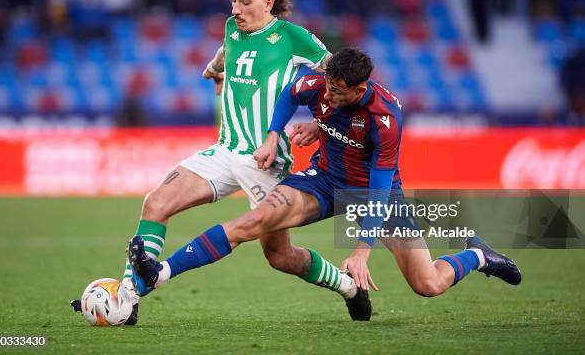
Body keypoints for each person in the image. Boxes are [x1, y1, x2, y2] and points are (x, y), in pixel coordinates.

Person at [71, 0, 373, 323]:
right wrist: (215, 69)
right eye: (232, 1)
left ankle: (349, 287)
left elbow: (346, 87)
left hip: (265, 161)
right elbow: (226, 51)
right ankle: (126, 299)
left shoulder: (294, 38)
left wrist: (320, 128)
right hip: (224, 150)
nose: (235, 10)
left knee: (280, 256)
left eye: (244, 2)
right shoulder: (233, 27)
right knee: (155, 203)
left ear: (268, 2)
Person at [128, 48, 522, 317]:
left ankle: (479, 255)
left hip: (373, 193)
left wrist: (362, 250)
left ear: (359, 88)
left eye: (338, 90)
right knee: (253, 223)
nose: (328, 92)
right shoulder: (321, 83)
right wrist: (275, 133)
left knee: (428, 284)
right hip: (323, 181)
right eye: (327, 85)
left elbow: (381, 186)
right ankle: (160, 272)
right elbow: (288, 95)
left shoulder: (386, 118)